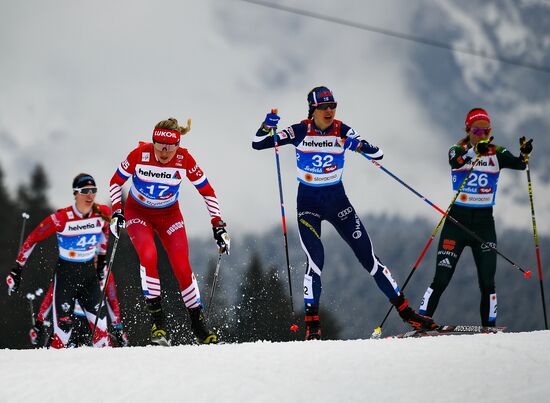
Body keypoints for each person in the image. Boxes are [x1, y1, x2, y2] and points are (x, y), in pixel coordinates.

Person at [252, 86, 437, 340]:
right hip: (308, 204)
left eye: (333, 106)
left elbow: (378, 153)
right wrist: (266, 125)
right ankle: (313, 327)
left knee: (369, 258)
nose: (330, 111)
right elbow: (259, 143)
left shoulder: (342, 129)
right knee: (315, 261)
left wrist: (356, 144)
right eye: (324, 107)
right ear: (313, 109)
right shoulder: (299, 130)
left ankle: (408, 313)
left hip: (338, 203)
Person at [109, 117, 229, 346]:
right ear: (153, 142)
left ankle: (200, 326)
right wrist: (117, 211)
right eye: (159, 146)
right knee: (148, 256)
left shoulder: (185, 159)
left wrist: (218, 225)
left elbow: (207, 191)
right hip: (138, 213)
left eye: (169, 147)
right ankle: (158, 326)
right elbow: (116, 182)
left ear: (177, 145)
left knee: (182, 267)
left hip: (169, 215)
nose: (163, 153)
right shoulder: (140, 154)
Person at [418, 108, 533, 327]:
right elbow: (456, 163)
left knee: (488, 282)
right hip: (457, 223)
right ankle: (421, 320)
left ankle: (489, 326)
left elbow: (521, 164)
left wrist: (525, 154)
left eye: (486, 131)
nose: (481, 135)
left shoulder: (497, 152)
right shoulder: (456, 149)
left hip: (484, 225)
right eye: (476, 130)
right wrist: (473, 152)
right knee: (441, 278)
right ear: (468, 130)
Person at [6, 174, 112, 348]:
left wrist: (101, 261)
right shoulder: (62, 217)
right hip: (66, 277)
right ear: (75, 193)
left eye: (93, 191)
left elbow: (105, 233)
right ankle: (50, 370)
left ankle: (104, 373)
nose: (90, 196)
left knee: (102, 335)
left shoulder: (102, 212)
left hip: (89, 277)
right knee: (63, 335)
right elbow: (33, 239)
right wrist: (18, 268)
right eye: (85, 191)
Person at [30, 267, 129, 347]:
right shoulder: (71, 266)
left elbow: (112, 300)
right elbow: (50, 296)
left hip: (91, 323)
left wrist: (118, 329)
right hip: (70, 320)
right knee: (56, 351)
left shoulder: (105, 271)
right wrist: (39, 322)